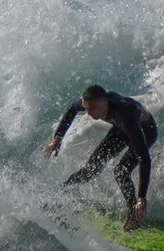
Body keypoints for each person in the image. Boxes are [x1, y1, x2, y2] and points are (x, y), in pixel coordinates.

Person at [44, 83, 157, 229]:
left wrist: (142, 197)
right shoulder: (92, 102)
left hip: (145, 131)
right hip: (121, 129)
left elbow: (144, 158)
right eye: (86, 108)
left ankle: (134, 214)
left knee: (121, 171)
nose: (88, 113)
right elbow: (72, 109)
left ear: (104, 102)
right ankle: (61, 192)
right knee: (91, 168)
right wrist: (57, 139)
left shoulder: (125, 114)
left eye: (92, 108)